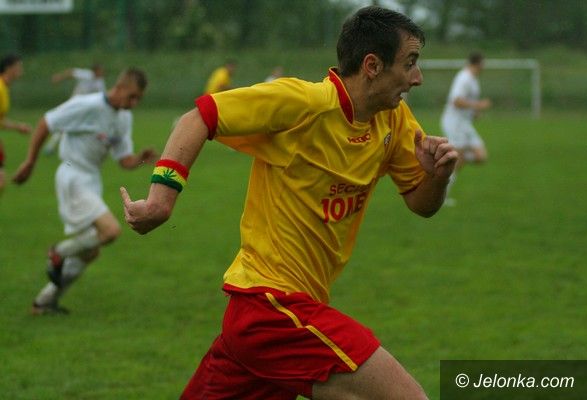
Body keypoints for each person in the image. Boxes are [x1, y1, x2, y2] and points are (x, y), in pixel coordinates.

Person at [121, 6, 457, 400]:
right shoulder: (304, 103)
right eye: (410, 63)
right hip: (270, 308)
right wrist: (161, 200)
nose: (417, 77)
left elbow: (421, 203)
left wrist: (437, 176)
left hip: (272, 319)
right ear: (372, 65)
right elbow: (198, 118)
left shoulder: (393, 120)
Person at [13, 68, 157, 315]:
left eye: (138, 99)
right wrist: (30, 161)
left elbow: (124, 160)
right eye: (132, 96)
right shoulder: (88, 105)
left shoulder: (123, 118)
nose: (134, 103)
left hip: (91, 180)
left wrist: (140, 159)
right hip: (73, 176)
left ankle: (44, 302)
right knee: (110, 231)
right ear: (120, 87)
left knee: (90, 252)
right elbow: (47, 122)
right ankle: (59, 251)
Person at [440, 52, 492, 205]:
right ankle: (441, 196)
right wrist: (479, 105)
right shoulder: (464, 78)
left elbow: (466, 101)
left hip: (464, 123)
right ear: (478, 64)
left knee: (481, 156)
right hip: (455, 122)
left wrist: (474, 112)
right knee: (458, 159)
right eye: (483, 64)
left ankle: (453, 157)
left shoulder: (473, 79)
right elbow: (456, 101)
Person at [44, 63, 107, 155]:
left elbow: (103, 96)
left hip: (85, 107)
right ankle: (50, 146)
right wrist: (60, 77)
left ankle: (82, 148)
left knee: (80, 125)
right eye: (101, 70)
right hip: (73, 104)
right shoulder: (86, 75)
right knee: (65, 122)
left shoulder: (100, 82)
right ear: (95, 71)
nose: (102, 72)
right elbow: (71, 72)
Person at [0, 54, 32, 195]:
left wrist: (18, 127)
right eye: (18, 66)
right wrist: (18, 127)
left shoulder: (4, 88)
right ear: (8, 68)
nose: (21, 70)